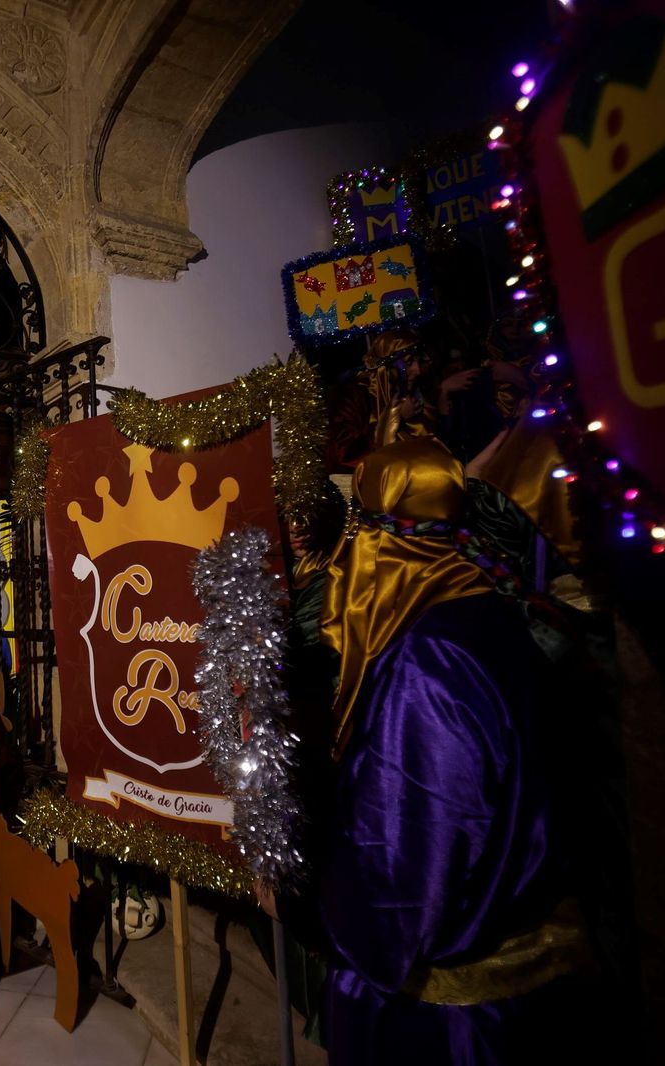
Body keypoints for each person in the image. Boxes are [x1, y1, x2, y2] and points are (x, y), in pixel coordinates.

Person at [260, 431, 599, 1064]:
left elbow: (396, 884)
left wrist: (301, 895)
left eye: (363, 527)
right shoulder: (488, 612)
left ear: (385, 539)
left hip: (453, 1021)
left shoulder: (430, 663)